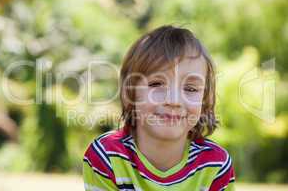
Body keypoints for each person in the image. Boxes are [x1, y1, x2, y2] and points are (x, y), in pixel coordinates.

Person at [83, 25, 235, 191]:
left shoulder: (215, 166)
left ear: (205, 101)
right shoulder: (107, 156)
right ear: (130, 94)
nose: (174, 101)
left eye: (190, 89)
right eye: (156, 84)